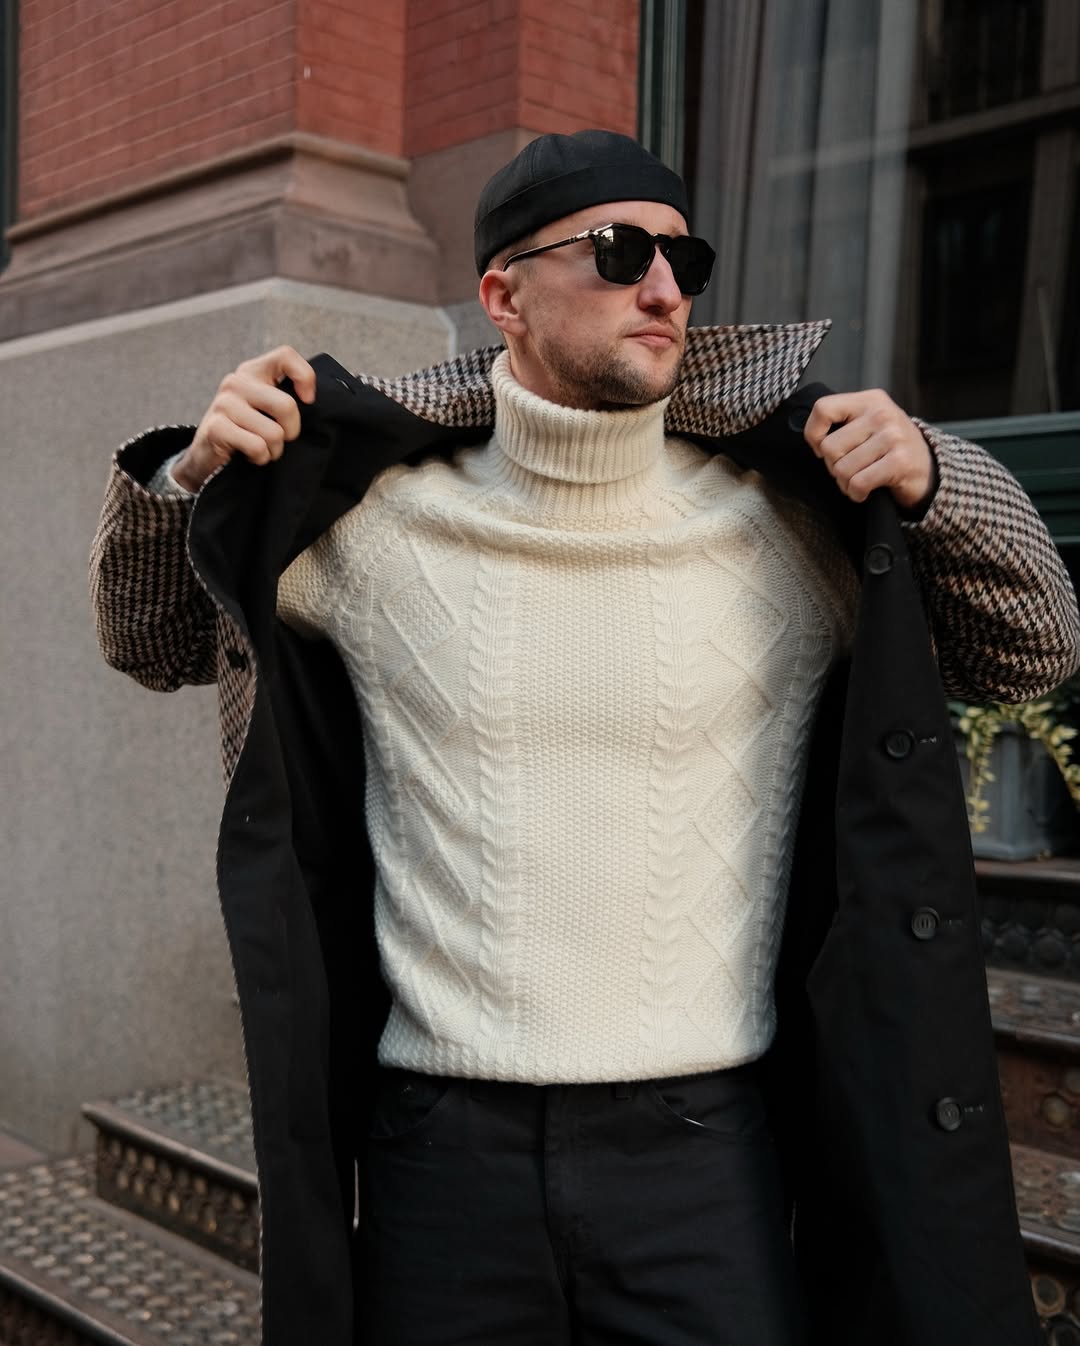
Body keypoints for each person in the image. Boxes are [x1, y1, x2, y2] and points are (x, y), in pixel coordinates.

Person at [90, 131, 1079, 1346]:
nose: (663, 288)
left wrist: (941, 479)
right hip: (440, 1157)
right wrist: (190, 480)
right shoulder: (374, 527)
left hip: (705, 1155)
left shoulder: (793, 528)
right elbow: (150, 640)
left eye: (683, 259)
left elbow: (1035, 650)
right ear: (503, 296)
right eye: (618, 252)